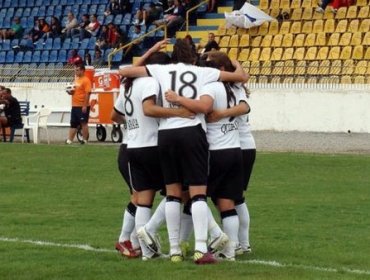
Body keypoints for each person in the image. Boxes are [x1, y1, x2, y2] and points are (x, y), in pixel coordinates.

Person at [120, 38, 249, 264]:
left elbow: (125, 71)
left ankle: (175, 250)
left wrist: (149, 52)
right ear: (192, 55)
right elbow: (240, 77)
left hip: (166, 135)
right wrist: (233, 62)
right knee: (197, 193)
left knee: (172, 194)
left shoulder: (161, 70)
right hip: (192, 132)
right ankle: (201, 248)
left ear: (174, 54)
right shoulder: (203, 72)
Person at [165, 51, 250, 260]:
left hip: (215, 151)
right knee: (228, 201)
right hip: (234, 149)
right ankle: (231, 249)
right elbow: (245, 106)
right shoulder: (231, 87)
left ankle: (187, 242)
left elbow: (204, 107)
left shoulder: (210, 87)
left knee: (194, 197)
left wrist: (178, 99)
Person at [65, 64, 92, 145]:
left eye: (77, 70)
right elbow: (74, 91)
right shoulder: (76, 80)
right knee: (73, 123)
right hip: (75, 105)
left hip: (82, 106)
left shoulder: (86, 80)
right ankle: (69, 140)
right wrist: (70, 92)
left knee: (83, 123)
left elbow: (88, 93)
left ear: (82, 70)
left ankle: (85, 140)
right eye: (75, 70)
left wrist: (85, 105)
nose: (76, 71)